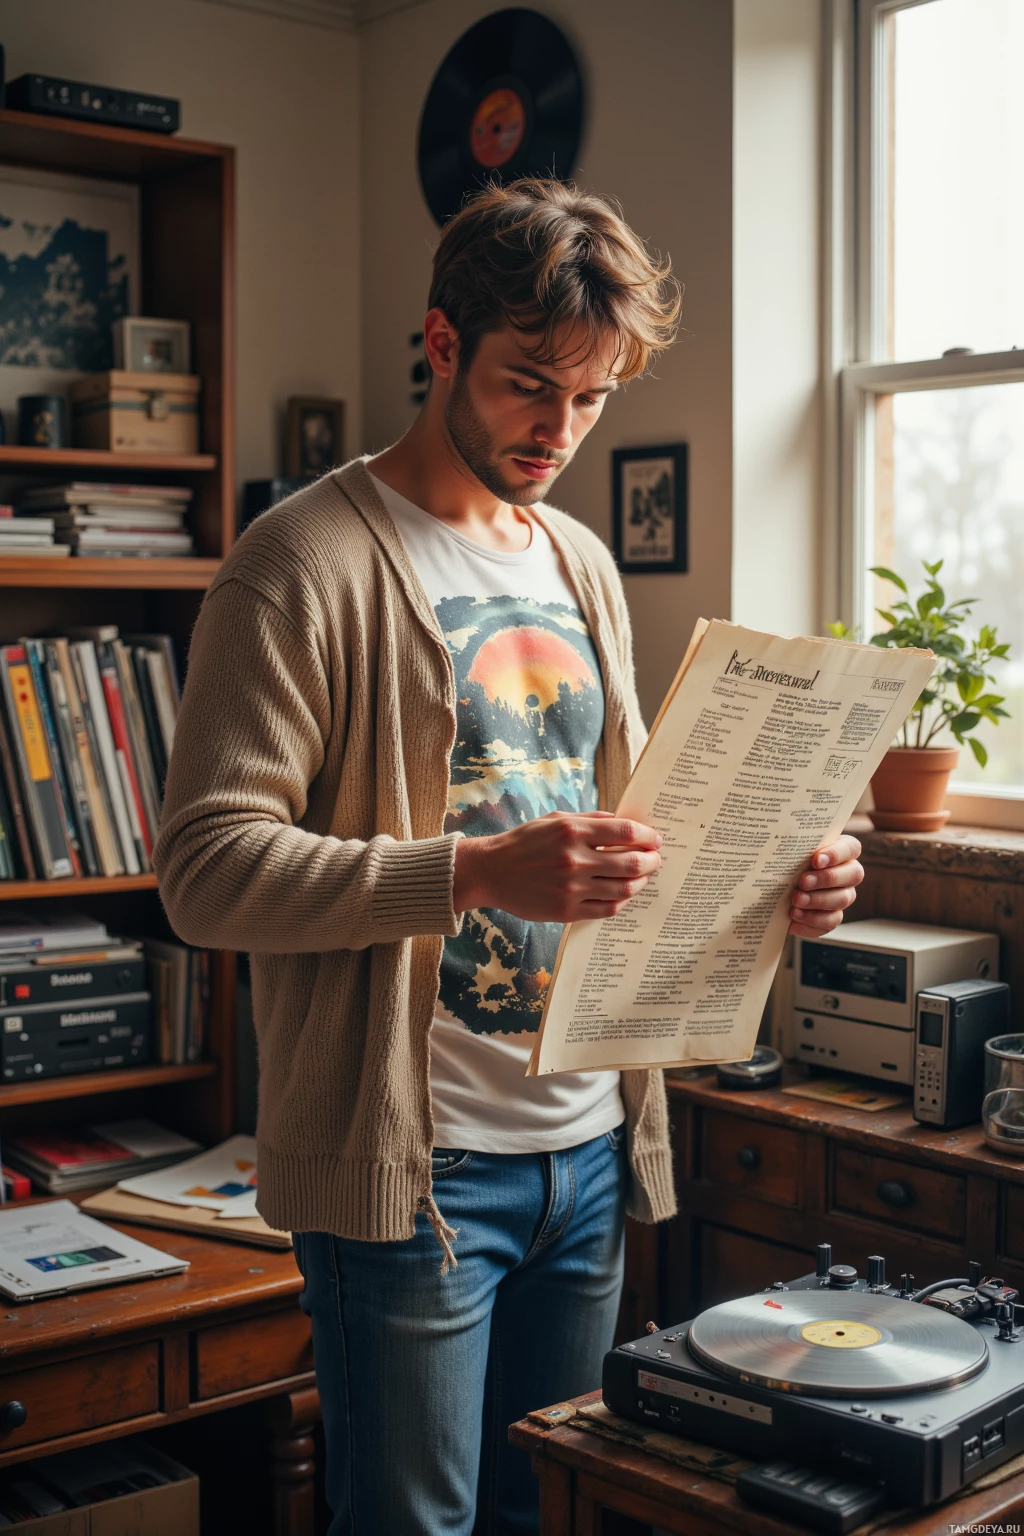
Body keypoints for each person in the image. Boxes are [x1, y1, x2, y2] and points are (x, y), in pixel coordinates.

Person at [154, 177, 863, 1536]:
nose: (561, 429)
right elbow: (206, 870)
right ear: (439, 346)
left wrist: (790, 879)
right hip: (419, 1169)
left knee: (545, 1514)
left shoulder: (583, 563)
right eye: (532, 384)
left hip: (590, 1148)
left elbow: (649, 818)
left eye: (593, 398)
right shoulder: (298, 562)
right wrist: (471, 874)